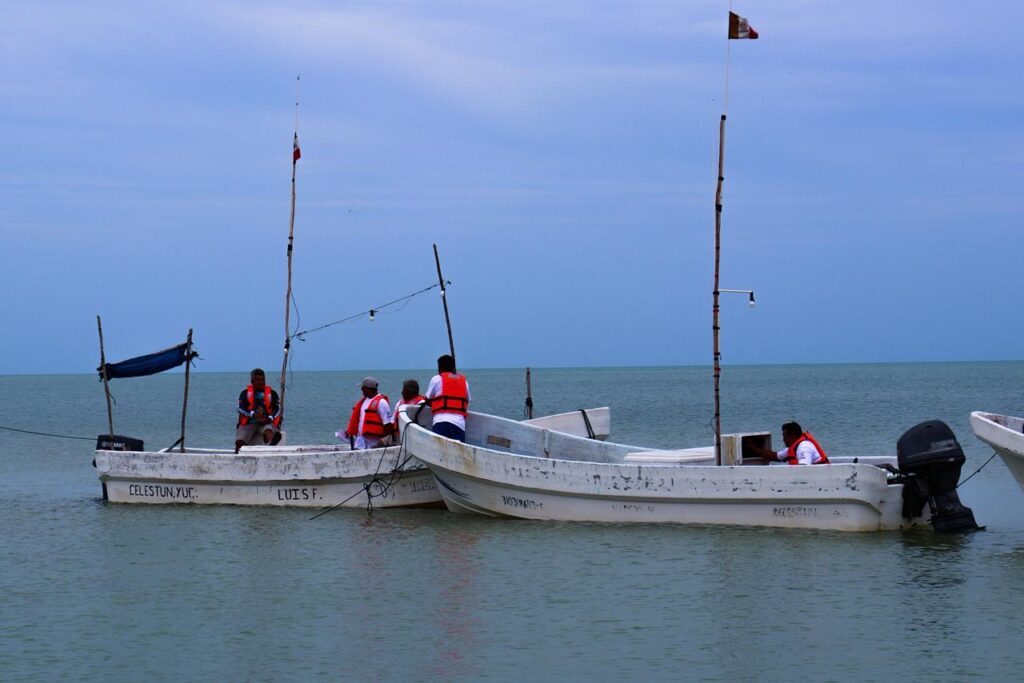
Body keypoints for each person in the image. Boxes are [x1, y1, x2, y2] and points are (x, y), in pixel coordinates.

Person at [424, 354, 470, 442]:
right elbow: (467, 400)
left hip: (441, 421)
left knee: (439, 451)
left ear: (440, 368)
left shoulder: (436, 379)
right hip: (459, 424)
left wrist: (436, 404)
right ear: (453, 368)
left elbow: (427, 399)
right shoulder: (464, 381)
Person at [339, 377, 393, 450]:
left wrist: (383, 441)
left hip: (374, 444)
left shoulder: (382, 403)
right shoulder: (364, 401)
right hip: (360, 442)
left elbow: (387, 424)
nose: (361, 390)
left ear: (368, 388)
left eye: (363, 388)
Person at [235, 368, 281, 453]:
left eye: (263, 379)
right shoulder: (245, 393)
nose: (261, 382)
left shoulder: (272, 393)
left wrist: (270, 418)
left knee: (269, 432)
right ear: (252, 382)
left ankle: (270, 450)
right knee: (239, 443)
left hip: (266, 423)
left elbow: (278, 408)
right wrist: (252, 414)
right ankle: (237, 460)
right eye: (257, 380)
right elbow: (239, 408)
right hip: (249, 424)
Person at [746, 421, 830, 465]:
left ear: (792, 436)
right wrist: (754, 449)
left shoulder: (804, 447)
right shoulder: (793, 447)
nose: (783, 440)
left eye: (784, 437)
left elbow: (804, 469)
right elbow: (776, 456)